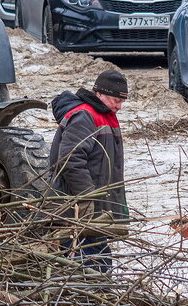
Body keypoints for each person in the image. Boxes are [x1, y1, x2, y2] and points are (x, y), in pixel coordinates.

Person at [49, 69, 129, 273]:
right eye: (115, 100)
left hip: (94, 205)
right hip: (79, 205)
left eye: (122, 102)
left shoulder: (105, 115)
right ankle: (87, 298)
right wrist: (87, 196)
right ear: (99, 94)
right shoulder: (85, 116)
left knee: (95, 255)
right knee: (85, 258)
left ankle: (95, 296)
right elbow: (70, 158)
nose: (118, 107)